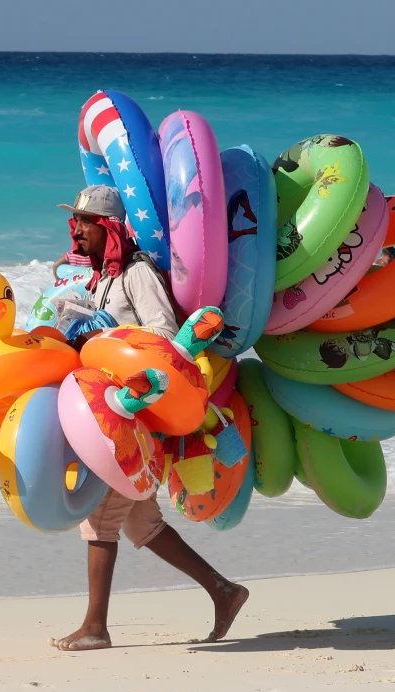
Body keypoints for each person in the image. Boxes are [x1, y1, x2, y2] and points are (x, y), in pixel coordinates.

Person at [48, 185, 248, 652]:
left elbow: (162, 332)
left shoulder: (136, 273)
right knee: (140, 522)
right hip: (107, 412)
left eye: (84, 221)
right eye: (73, 220)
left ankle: (95, 627)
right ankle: (224, 591)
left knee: (100, 519)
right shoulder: (97, 279)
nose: (74, 228)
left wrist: (109, 333)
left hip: (135, 414)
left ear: (109, 228)